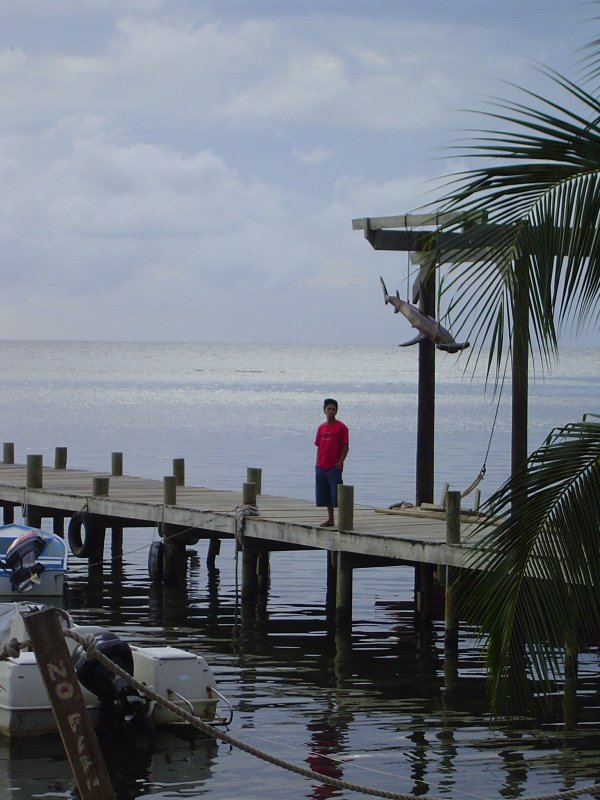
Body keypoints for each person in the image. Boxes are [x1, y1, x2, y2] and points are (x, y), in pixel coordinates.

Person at [314, 398, 349, 527]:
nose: (331, 411)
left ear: (336, 411)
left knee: (337, 494)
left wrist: (340, 461)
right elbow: (319, 446)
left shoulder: (342, 427)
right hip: (321, 466)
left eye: (333, 409)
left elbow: (345, 447)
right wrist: (317, 463)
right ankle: (330, 519)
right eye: (329, 409)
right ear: (324, 410)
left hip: (334, 466)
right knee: (325, 494)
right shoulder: (321, 428)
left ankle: (343, 519)